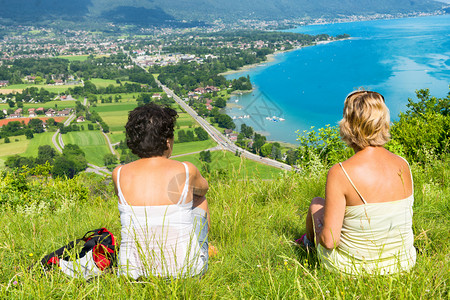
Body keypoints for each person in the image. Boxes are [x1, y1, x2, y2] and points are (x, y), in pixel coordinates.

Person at [299, 90, 416, 275]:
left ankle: (308, 247)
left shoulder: (340, 172)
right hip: (403, 263)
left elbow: (330, 241)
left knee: (316, 204)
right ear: (383, 122)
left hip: (355, 269)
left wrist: (319, 227)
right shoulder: (404, 164)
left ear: (348, 125)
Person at [112, 103, 210, 279]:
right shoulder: (186, 170)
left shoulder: (118, 174)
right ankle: (201, 250)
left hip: (132, 275)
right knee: (199, 201)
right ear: (167, 141)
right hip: (186, 272)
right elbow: (203, 189)